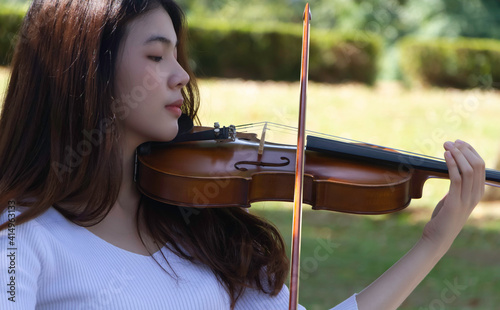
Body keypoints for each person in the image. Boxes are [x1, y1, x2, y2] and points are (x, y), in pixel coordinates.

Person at [0, 0, 486, 309]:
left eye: (177, 56)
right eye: (155, 56)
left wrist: (433, 242)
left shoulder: (203, 230)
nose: (181, 76)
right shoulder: (22, 237)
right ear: (86, 73)